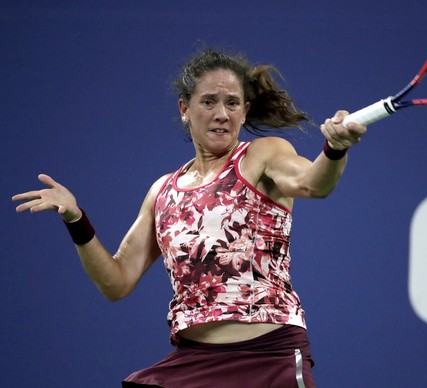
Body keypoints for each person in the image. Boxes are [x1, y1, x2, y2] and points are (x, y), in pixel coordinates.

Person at [12, 48, 367, 388]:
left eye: (232, 103)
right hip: (195, 363)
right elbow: (115, 281)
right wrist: (76, 219)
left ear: (245, 111)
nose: (221, 113)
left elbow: (311, 184)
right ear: (185, 108)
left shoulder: (263, 155)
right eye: (208, 101)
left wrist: (334, 149)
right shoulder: (162, 191)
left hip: (268, 354)